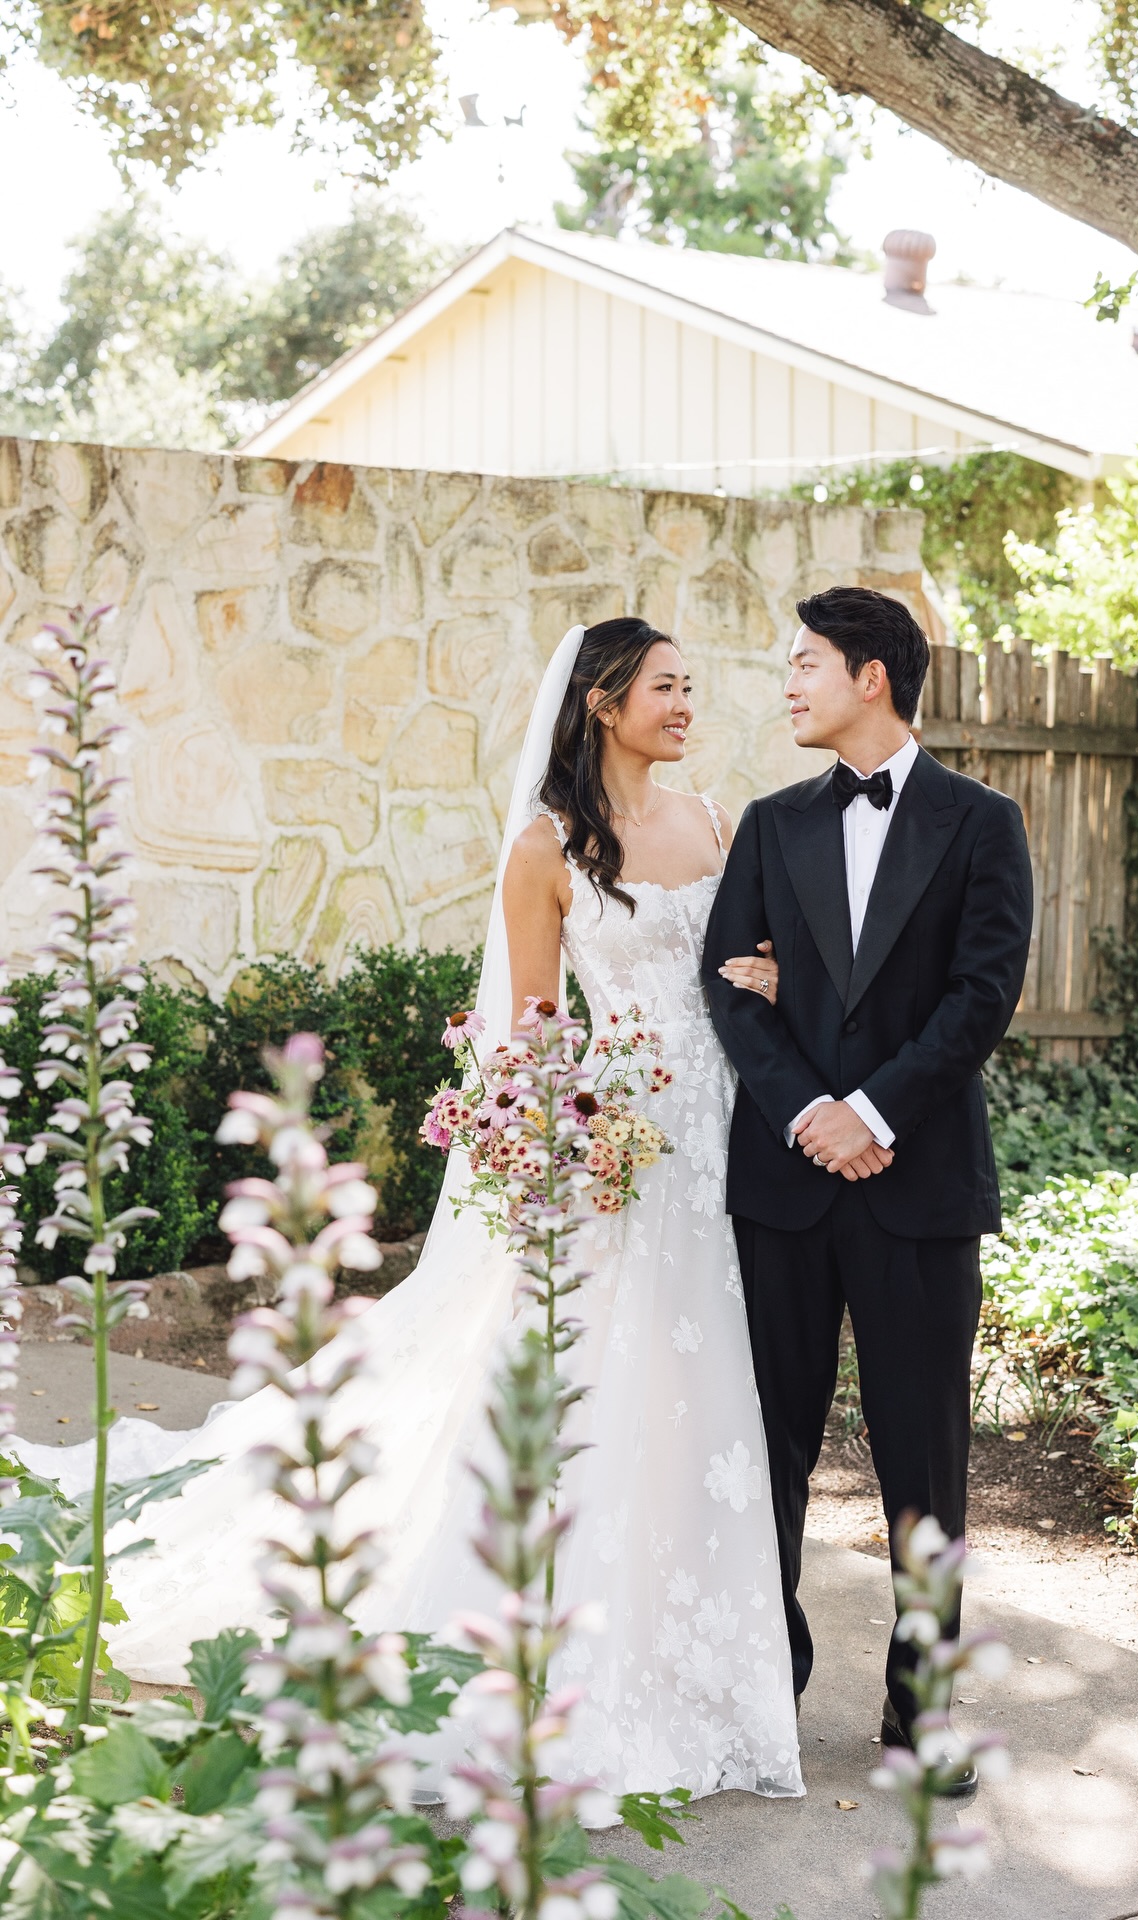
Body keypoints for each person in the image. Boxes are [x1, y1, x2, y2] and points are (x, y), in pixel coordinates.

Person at [13, 618, 804, 1808]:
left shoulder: (715, 822)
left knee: (709, 1391)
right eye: (665, 687)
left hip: (723, 1134)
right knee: (614, 1375)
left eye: (692, 686)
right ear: (601, 701)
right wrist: (564, 1143)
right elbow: (534, 1032)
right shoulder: (543, 852)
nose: (687, 705)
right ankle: (575, 1649)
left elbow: (757, 968)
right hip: (624, 1147)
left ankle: (708, 1659)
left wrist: (774, 979)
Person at [700, 585, 1033, 1786]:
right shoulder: (769, 822)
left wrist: (873, 1113)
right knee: (767, 1452)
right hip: (782, 1189)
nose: (786, 683)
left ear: (872, 677)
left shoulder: (984, 824)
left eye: (804, 664)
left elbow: (979, 996)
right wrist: (806, 1114)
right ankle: (761, 1685)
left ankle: (923, 1712)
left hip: (917, 1186)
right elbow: (730, 989)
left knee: (923, 1462)